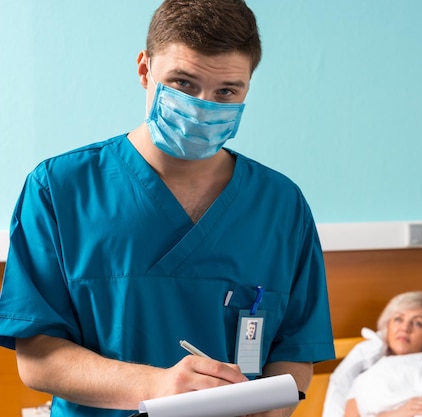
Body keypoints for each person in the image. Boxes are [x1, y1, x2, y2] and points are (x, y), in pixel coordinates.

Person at [0, 1, 335, 416]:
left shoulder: (281, 206)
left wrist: (272, 407)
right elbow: (37, 357)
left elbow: (295, 350)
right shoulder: (60, 188)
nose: (203, 106)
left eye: (226, 91)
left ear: (248, 85)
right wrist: (159, 386)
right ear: (145, 70)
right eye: (182, 83)